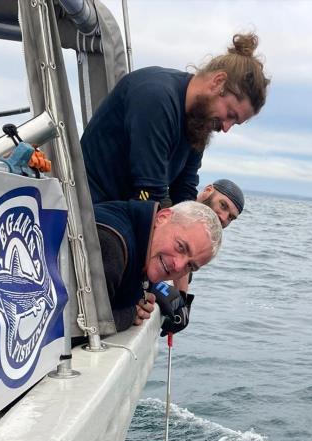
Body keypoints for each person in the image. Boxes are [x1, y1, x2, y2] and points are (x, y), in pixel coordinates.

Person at [81, 33, 270, 207]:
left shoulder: (199, 118)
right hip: (90, 207)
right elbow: (149, 191)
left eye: (234, 124)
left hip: (126, 206)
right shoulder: (156, 97)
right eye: (230, 114)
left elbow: (184, 187)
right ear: (218, 82)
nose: (226, 128)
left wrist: (193, 221)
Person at [94, 200, 222, 332]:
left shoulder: (142, 238)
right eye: (180, 247)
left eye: (190, 266)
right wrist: (131, 314)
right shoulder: (110, 244)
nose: (178, 266)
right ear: (162, 218)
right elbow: (83, 326)